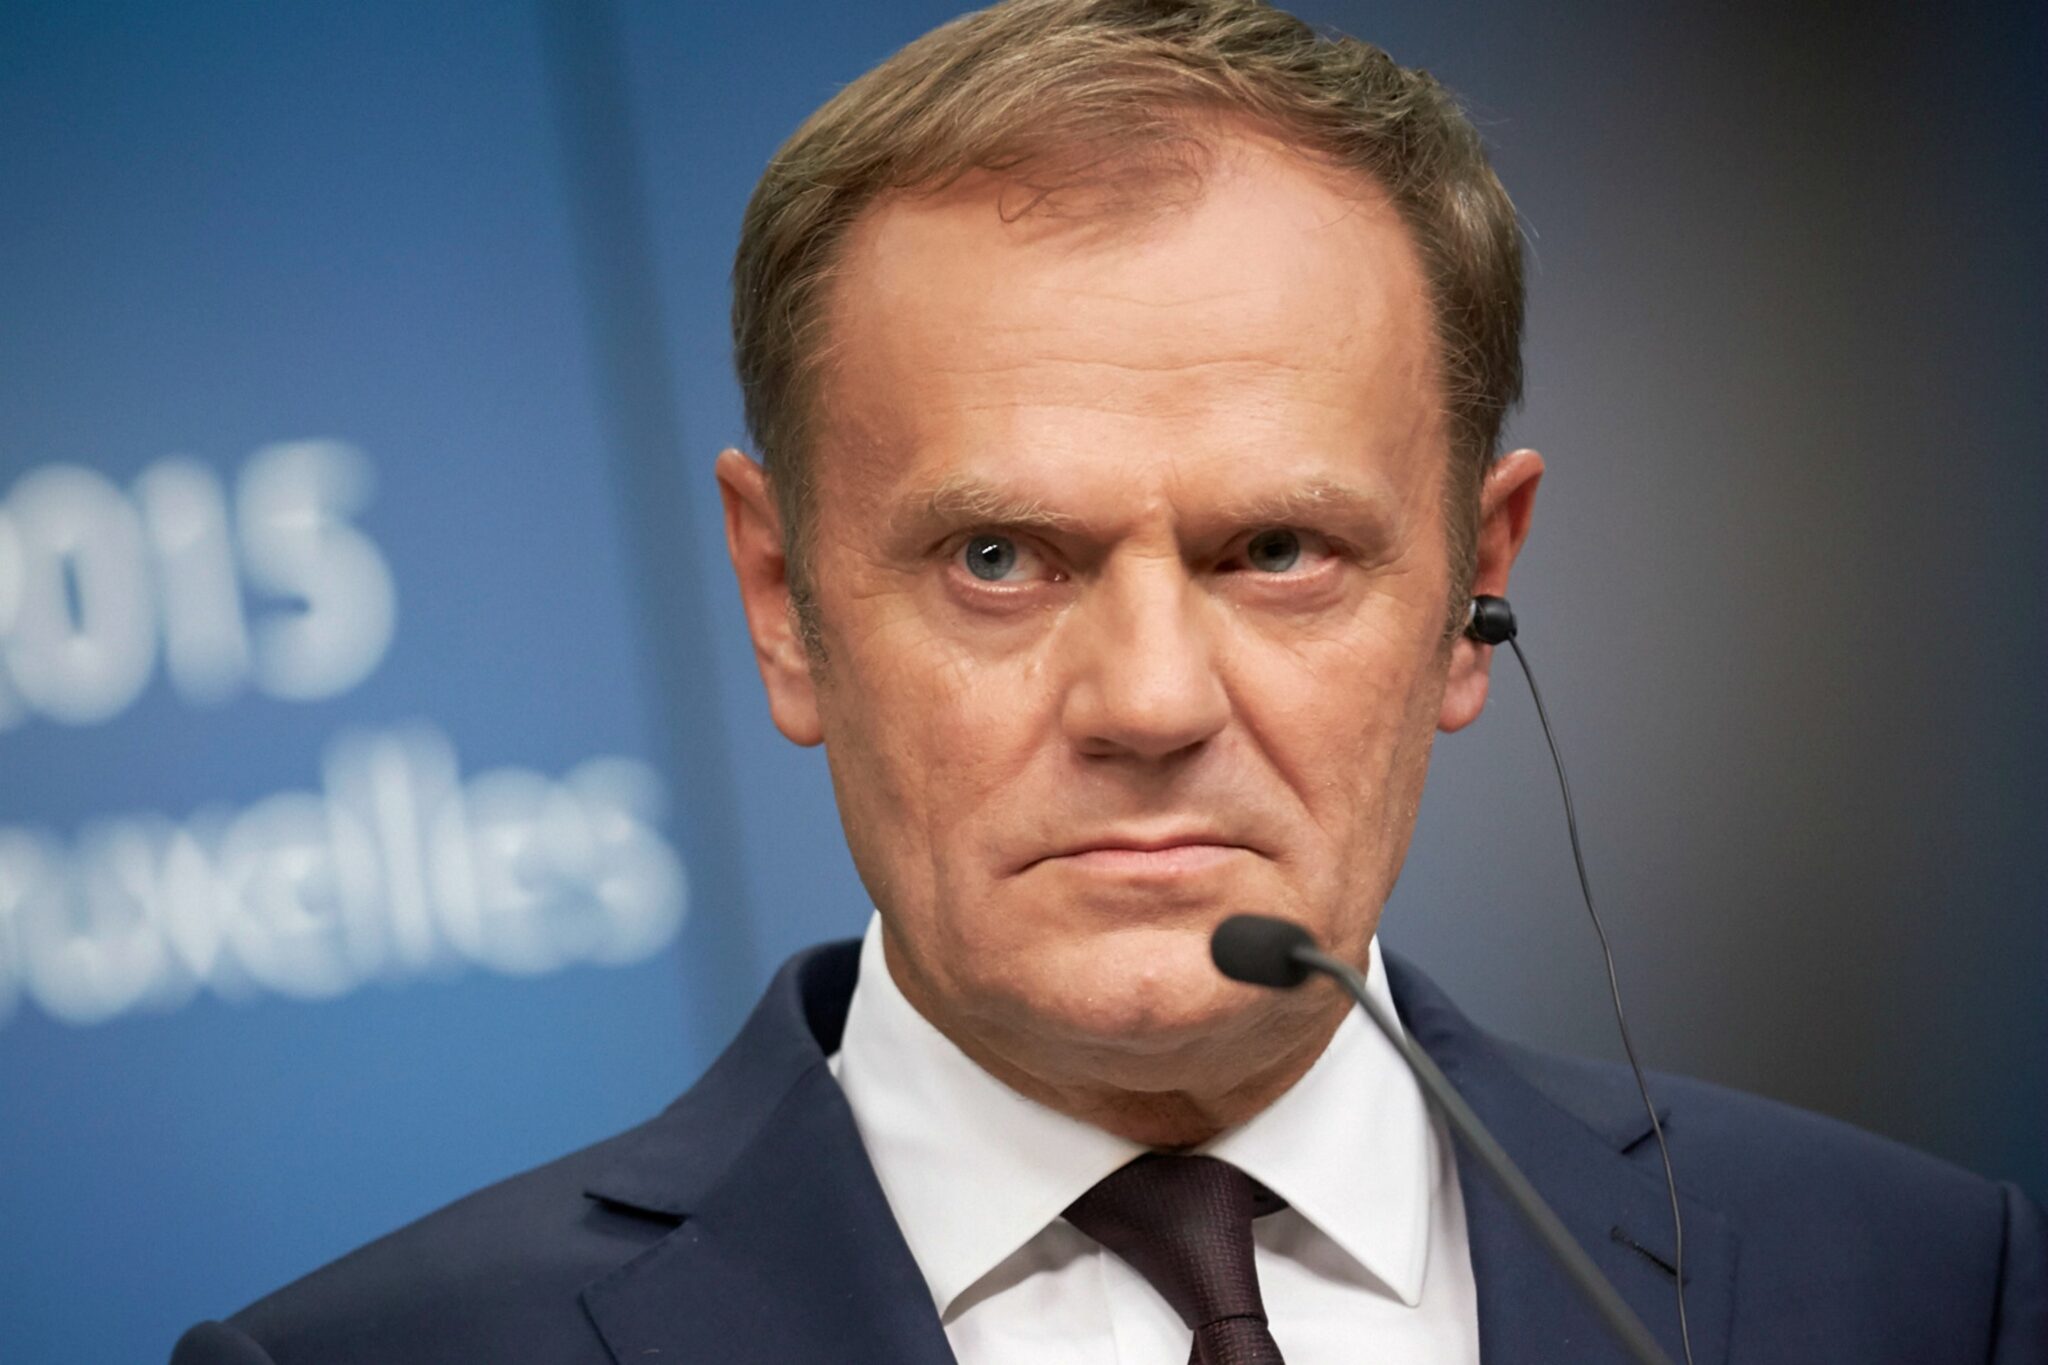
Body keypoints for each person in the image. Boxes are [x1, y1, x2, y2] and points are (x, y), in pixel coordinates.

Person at [172, 2, 2046, 1361]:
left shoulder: (1910, 1286)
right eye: (999, 557)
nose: (1149, 702)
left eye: (1278, 550)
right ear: (783, 599)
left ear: (1477, 586)